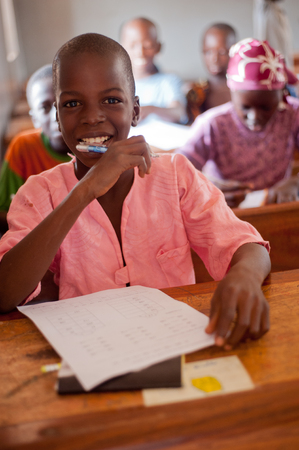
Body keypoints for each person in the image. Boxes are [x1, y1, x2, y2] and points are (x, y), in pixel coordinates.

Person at [0, 33, 271, 352]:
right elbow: (5, 292)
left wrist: (245, 277)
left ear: (135, 110)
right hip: (92, 352)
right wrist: (84, 191)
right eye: (72, 104)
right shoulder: (38, 192)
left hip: (175, 345)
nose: (92, 117)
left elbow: (248, 247)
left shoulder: (175, 176)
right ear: (57, 117)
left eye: (111, 100)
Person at [178, 38, 299, 205]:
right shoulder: (212, 123)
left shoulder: (292, 114)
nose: (254, 116)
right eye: (245, 107)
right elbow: (177, 170)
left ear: (282, 93)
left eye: (266, 108)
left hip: (272, 208)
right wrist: (205, 185)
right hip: (225, 211)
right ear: (232, 93)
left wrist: (294, 184)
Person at [0, 64, 71, 234]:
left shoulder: (93, 151)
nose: (56, 115)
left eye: (67, 104)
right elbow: (3, 213)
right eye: (45, 107)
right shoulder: (23, 148)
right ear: (35, 119)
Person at [120, 17, 186, 124]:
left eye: (148, 46)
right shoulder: (116, 84)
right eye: (132, 46)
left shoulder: (168, 81)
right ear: (122, 49)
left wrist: (150, 110)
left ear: (158, 47)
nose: (140, 52)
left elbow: (179, 113)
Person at [186, 23, 237, 124]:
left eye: (222, 52)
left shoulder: (243, 91)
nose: (214, 59)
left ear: (235, 52)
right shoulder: (196, 93)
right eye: (208, 52)